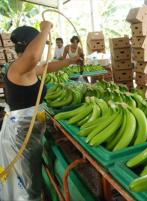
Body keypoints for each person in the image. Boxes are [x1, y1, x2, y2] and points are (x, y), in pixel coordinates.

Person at [0, 22, 80, 201]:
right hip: (22, 132)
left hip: (29, 129)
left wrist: (70, 61)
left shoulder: (25, 68)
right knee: (27, 181)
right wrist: (45, 29)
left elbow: (44, 68)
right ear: (30, 45)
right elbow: (34, 58)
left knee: (31, 173)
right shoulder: (19, 67)